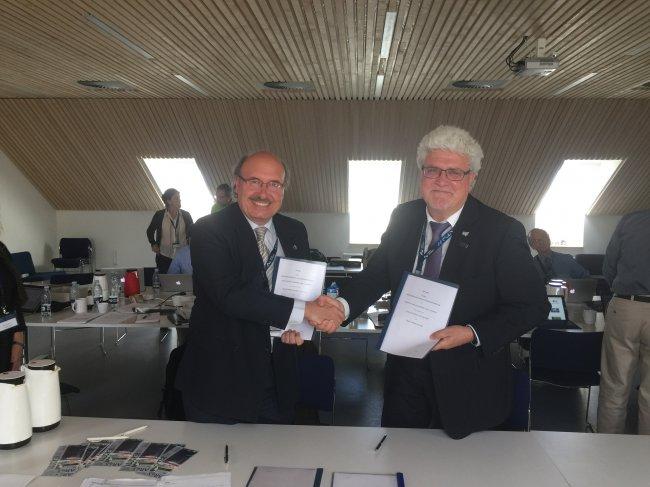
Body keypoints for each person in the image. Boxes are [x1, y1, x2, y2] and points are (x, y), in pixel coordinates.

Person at [331, 125, 549, 439]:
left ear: (472, 177)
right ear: (421, 173)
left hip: (468, 377)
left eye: (454, 172)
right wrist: (340, 305)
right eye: (433, 170)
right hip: (404, 373)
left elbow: (532, 306)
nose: (442, 181)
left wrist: (471, 332)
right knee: (401, 462)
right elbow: (377, 275)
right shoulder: (403, 216)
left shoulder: (501, 230)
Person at [176, 151, 342, 424]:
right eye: (254, 181)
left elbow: (298, 289)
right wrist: (304, 311)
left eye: (274, 184)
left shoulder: (294, 230)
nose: (264, 192)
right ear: (236, 184)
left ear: (283, 190)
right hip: (222, 379)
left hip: (280, 375)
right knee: (219, 461)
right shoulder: (209, 230)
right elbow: (228, 295)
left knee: (275, 461)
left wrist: (299, 327)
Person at [597, 210, 650, 435]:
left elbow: (609, 267)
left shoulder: (631, 220)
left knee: (615, 387)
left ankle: (608, 452)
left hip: (627, 305)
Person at [146, 188, 193, 274]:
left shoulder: (186, 215)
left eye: (179, 198)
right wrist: (153, 243)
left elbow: (193, 233)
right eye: (176, 198)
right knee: (165, 284)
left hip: (183, 258)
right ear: (169, 201)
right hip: (164, 257)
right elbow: (150, 231)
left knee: (184, 284)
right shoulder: (159, 215)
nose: (180, 200)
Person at [0, 241, 27, 372]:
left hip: (6, 333)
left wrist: (18, 340)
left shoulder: (1, 249)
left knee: (8, 386)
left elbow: (14, 295)